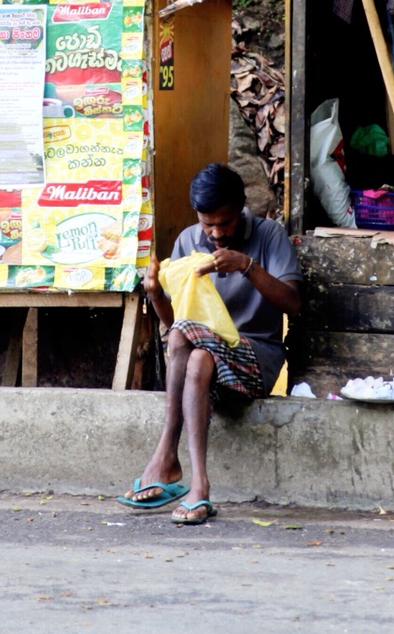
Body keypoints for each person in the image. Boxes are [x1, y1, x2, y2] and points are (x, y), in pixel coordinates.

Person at [119, 163, 300, 525]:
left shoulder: (269, 234)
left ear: (241, 208)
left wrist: (247, 266)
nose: (216, 233)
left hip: (257, 357)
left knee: (190, 339)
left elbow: (294, 304)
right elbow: (176, 333)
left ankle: (166, 454)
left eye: (225, 222)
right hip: (206, 367)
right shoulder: (188, 241)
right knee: (197, 355)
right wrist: (156, 296)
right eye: (207, 224)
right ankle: (199, 486)